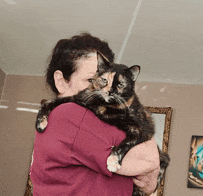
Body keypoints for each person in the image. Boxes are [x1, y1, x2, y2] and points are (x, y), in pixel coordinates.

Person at [30, 33, 160, 196]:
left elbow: (144, 176)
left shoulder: (83, 118)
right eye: (92, 80)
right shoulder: (68, 113)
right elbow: (149, 158)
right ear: (61, 81)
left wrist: (149, 180)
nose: (102, 91)